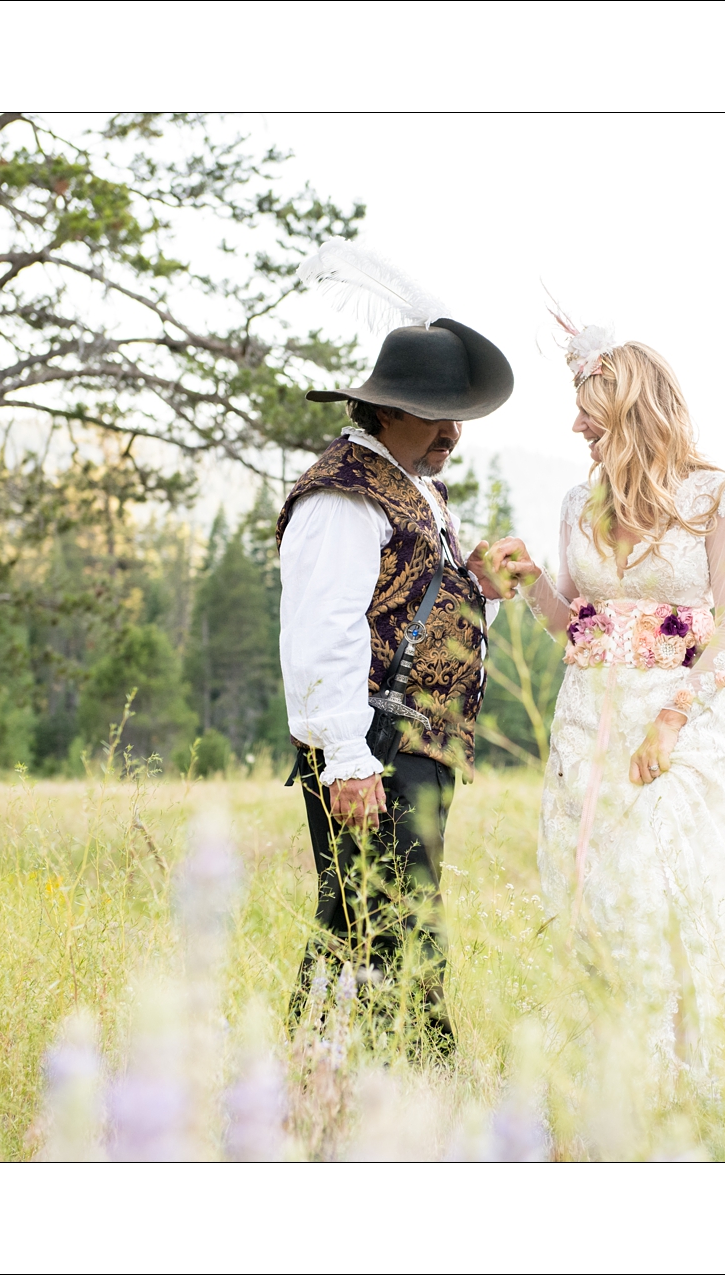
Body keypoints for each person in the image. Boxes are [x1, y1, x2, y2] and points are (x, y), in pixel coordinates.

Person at [493, 325, 725, 1081]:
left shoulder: (716, 498)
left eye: (589, 409)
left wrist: (674, 715)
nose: (575, 425)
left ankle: (683, 1084)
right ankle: (609, 1080)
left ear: (630, 408)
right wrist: (525, 578)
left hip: (677, 728)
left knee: (670, 895)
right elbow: (570, 625)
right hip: (587, 728)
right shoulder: (580, 501)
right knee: (598, 898)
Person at [276, 299, 523, 1059]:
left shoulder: (410, 484)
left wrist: (477, 584)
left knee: (370, 920)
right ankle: (401, 1085)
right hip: (372, 747)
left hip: (406, 748)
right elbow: (323, 630)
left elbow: (409, 608)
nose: (451, 434)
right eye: (434, 416)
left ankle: (329, 1081)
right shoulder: (342, 493)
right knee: (392, 923)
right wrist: (347, 759)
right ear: (385, 411)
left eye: (457, 418)